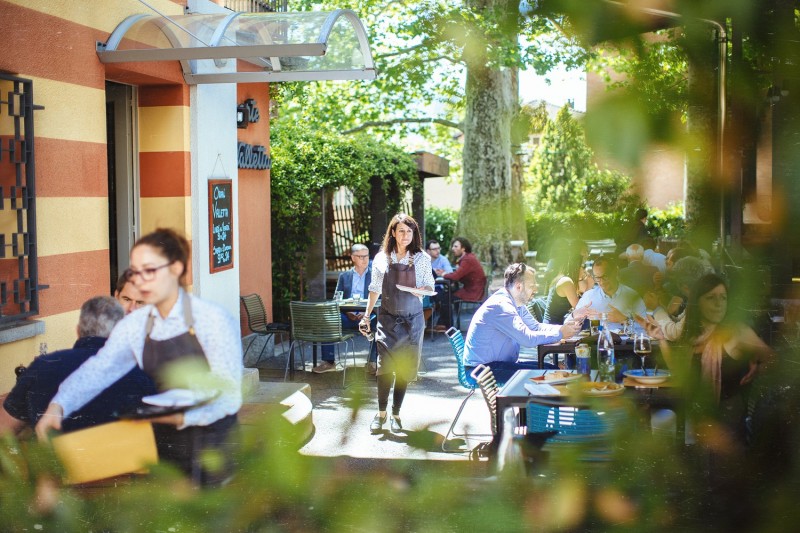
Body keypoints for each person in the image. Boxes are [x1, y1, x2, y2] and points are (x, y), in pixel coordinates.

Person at [35, 228, 242, 486]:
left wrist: (182, 417)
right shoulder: (134, 326)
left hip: (215, 446)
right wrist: (58, 406)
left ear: (176, 269)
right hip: (166, 448)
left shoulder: (213, 320)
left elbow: (230, 395)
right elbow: (98, 370)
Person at [0, 297, 156, 436]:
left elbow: (4, 429)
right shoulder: (142, 372)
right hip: (122, 459)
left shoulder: (42, 365)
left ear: (78, 330)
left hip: (55, 459)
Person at [656, 273, 773, 442]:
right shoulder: (693, 335)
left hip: (728, 424)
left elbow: (775, 360)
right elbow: (678, 370)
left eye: (723, 298)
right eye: (711, 298)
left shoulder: (736, 332)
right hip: (697, 419)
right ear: (697, 302)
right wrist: (660, 338)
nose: (719, 304)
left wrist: (759, 366)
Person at [360, 214, 434, 434]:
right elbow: (374, 289)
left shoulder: (422, 258)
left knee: (404, 369)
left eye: (409, 231)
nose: (405, 235)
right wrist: (366, 316)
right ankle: (381, 413)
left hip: (413, 322)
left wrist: (420, 290)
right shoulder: (381, 258)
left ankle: (396, 414)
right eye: (401, 231)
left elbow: (429, 286)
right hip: (387, 320)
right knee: (384, 368)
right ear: (393, 232)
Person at [464, 263, 581, 384]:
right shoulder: (502, 306)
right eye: (532, 286)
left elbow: (536, 327)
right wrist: (560, 334)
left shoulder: (515, 302)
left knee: (551, 369)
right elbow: (527, 339)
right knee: (550, 373)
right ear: (519, 286)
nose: (535, 290)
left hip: (496, 365)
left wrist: (563, 329)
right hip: (481, 370)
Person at [314, 244, 378, 375]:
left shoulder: (375, 276)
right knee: (328, 321)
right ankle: (329, 362)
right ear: (353, 257)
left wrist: (366, 313)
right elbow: (337, 299)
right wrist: (348, 312)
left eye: (366, 256)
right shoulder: (344, 276)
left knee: (381, 323)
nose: (365, 259)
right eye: (361, 256)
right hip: (348, 316)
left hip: (368, 316)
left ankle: (372, 362)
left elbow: (380, 299)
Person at [574, 256, 647, 329]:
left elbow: (646, 327)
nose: (602, 282)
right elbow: (571, 323)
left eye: (605, 276)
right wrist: (578, 317)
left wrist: (625, 320)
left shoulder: (631, 295)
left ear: (616, 272)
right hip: (599, 335)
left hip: (625, 336)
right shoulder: (589, 296)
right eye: (597, 278)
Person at [435, 237, 486, 332]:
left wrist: (443, 274)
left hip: (472, 292)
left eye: (456, 246)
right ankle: (442, 323)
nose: (453, 249)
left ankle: (448, 327)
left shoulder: (467, 260)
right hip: (473, 289)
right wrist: (447, 274)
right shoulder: (468, 258)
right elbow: (459, 274)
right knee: (448, 294)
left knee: (445, 297)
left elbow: (455, 276)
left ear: (463, 248)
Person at [542, 254, 585, 325]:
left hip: (560, 323)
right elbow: (579, 307)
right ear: (576, 267)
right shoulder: (566, 281)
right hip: (553, 326)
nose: (584, 269)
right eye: (582, 266)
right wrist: (586, 285)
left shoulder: (563, 278)